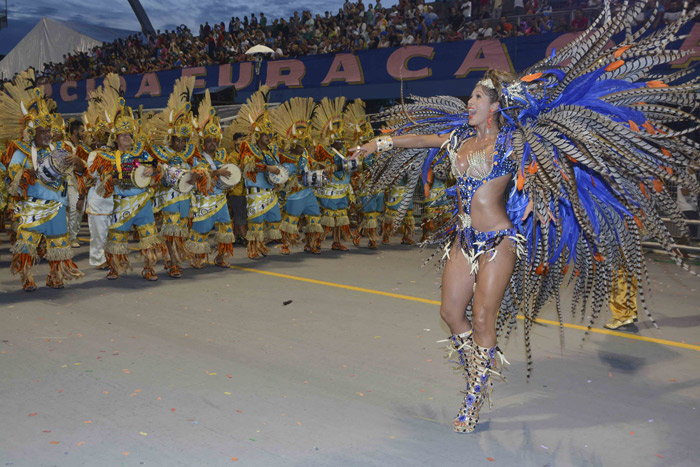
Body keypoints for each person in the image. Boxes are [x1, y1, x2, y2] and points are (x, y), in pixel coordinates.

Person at [352, 2, 700, 435]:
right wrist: (378, 145)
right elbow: (419, 138)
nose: (470, 102)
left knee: (483, 318)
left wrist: (542, 198)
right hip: (463, 240)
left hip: (499, 241)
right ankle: (478, 371)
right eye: (470, 97)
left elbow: (548, 168)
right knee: (449, 313)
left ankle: (474, 394)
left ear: (494, 106)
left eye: (477, 97)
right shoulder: (458, 137)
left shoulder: (512, 143)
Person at [3, 72, 86, 291]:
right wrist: (26, 173)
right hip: (32, 206)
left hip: (57, 207)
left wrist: (78, 162)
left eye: (49, 131)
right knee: (26, 246)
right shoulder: (21, 151)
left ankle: (55, 275)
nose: (48, 135)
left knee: (58, 243)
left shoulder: (59, 151)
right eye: (43, 132)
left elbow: (80, 170)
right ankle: (27, 277)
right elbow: (12, 177)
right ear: (33, 133)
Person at [90, 75, 162, 281]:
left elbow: (156, 165)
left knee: (149, 238)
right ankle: (115, 268)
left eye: (130, 136)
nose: (128, 139)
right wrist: (110, 178)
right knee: (116, 238)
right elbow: (102, 177)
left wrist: (151, 170)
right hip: (122, 202)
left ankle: (149, 268)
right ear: (116, 138)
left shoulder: (141, 152)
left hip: (143, 200)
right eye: (123, 136)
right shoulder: (108, 156)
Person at [148, 76, 198, 278]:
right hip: (168, 197)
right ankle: (172, 261)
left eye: (184, 140)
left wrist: (199, 175)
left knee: (183, 228)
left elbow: (199, 170)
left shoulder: (190, 152)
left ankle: (174, 258)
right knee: (171, 229)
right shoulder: (159, 152)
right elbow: (147, 170)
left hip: (186, 197)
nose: (181, 144)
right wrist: (158, 172)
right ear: (171, 137)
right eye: (178, 139)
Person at [229, 86, 283, 259]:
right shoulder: (247, 148)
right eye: (265, 135)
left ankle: (261, 244)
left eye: (270, 134)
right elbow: (248, 166)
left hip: (270, 192)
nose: (268, 137)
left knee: (274, 220)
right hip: (255, 192)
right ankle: (253, 248)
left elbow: (278, 167)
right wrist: (267, 168)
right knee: (256, 223)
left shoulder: (272, 149)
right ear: (258, 135)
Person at [186, 90, 236, 268]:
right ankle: (197, 258)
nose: (212, 143)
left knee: (225, 229)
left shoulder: (222, 154)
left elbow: (229, 173)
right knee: (201, 230)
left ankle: (221, 257)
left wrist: (229, 181)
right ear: (203, 142)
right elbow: (200, 174)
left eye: (214, 140)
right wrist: (217, 173)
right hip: (204, 200)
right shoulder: (197, 157)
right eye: (208, 140)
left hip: (221, 199)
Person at [271, 97, 324, 254]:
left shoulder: (305, 155)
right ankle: (286, 245)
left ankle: (311, 243)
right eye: (301, 145)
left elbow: (313, 165)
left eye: (306, 144)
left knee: (314, 217)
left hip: (308, 193)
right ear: (293, 144)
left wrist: (321, 167)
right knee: (291, 220)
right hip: (295, 195)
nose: (304, 147)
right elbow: (284, 176)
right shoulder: (286, 159)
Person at [313, 97, 355, 251]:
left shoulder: (345, 150)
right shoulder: (323, 150)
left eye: (342, 138)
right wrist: (336, 167)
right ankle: (317, 241)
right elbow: (323, 168)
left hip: (342, 189)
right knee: (328, 217)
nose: (342, 141)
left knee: (341, 217)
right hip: (330, 190)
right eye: (338, 139)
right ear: (331, 139)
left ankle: (336, 242)